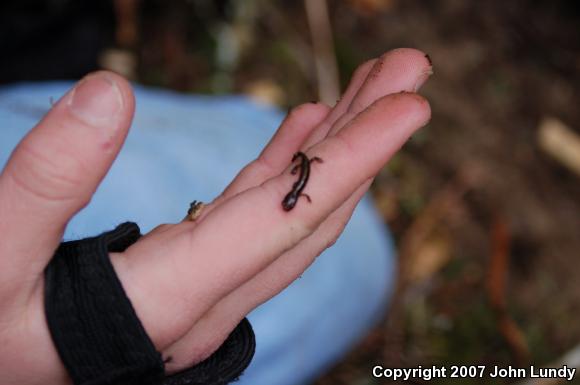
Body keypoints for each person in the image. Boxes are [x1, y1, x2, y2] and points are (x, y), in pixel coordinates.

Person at [0, 48, 432, 384]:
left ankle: (253, 123)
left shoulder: (299, 179)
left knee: (348, 243)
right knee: (359, 260)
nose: (290, 200)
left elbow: (297, 186)